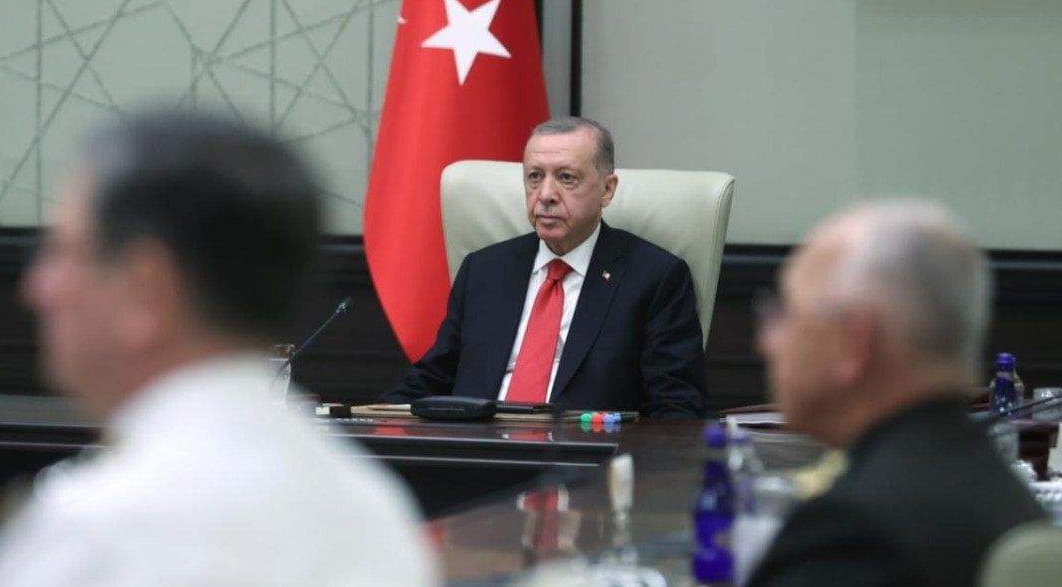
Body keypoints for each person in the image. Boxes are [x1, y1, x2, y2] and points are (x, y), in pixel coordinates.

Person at [0, 111, 438, 587]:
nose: (36, 289)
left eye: (61, 252)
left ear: (146, 288)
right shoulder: (376, 510)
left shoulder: (88, 531)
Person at [746, 201, 1045, 587]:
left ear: (853, 344)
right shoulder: (1003, 492)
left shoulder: (853, 533)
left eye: (787, 314)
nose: (765, 342)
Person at [381, 117, 706, 418]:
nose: (546, 194)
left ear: (607, 190)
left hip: (584, 454)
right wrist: (363, 428)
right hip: (476, 449)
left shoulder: (654, 276)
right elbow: (435, 377)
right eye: (535, 177)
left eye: (566, 178)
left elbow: (676, 408)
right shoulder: (484, 270)